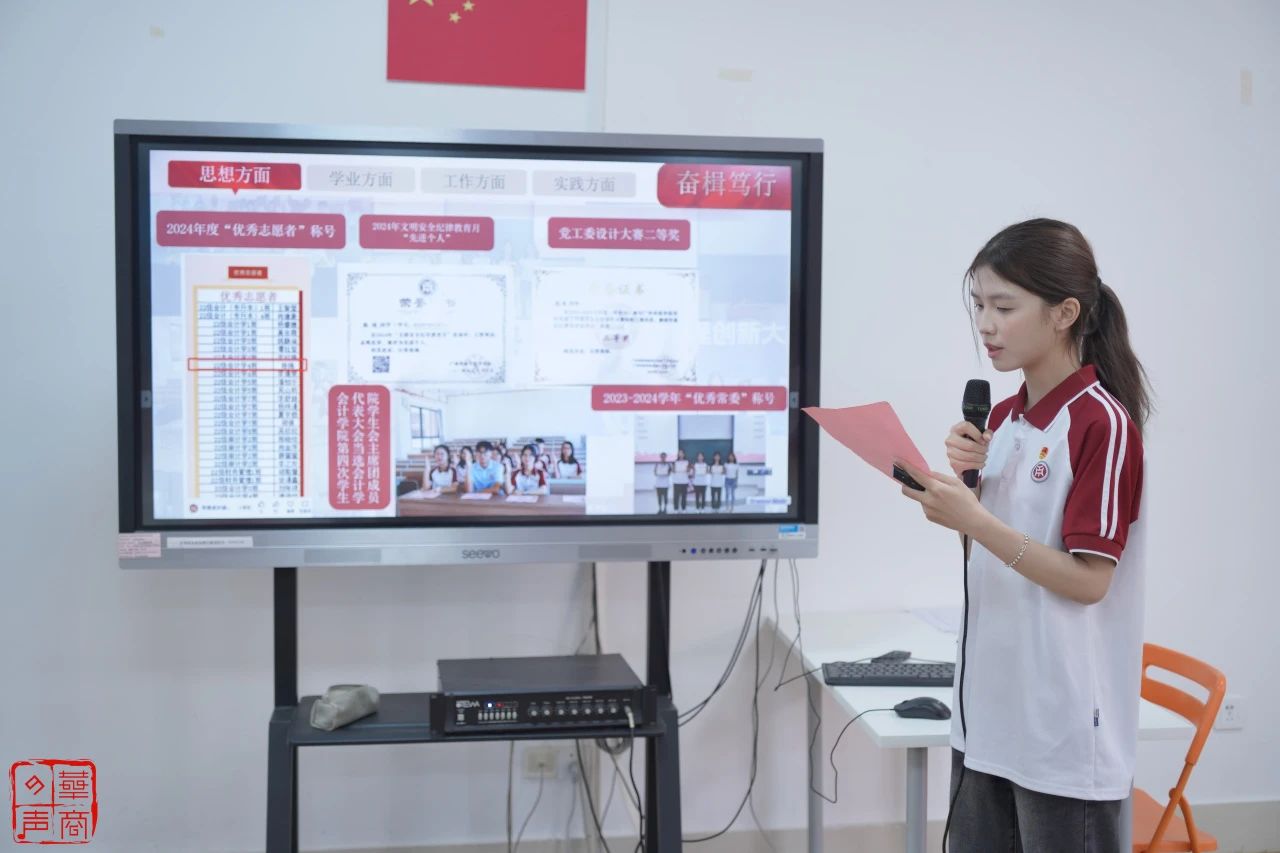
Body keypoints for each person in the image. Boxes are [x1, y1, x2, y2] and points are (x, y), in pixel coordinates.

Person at [897, 219, 1150, 852]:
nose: (986, 325)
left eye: (1004, 307)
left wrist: (976, 519)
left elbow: (1089, 582)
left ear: (1065, 313)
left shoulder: (1101, 424)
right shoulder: (1005, 418)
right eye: (979, 305)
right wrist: (960, 504)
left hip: (1061, 732)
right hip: (987, 718)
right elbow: (989, 554)